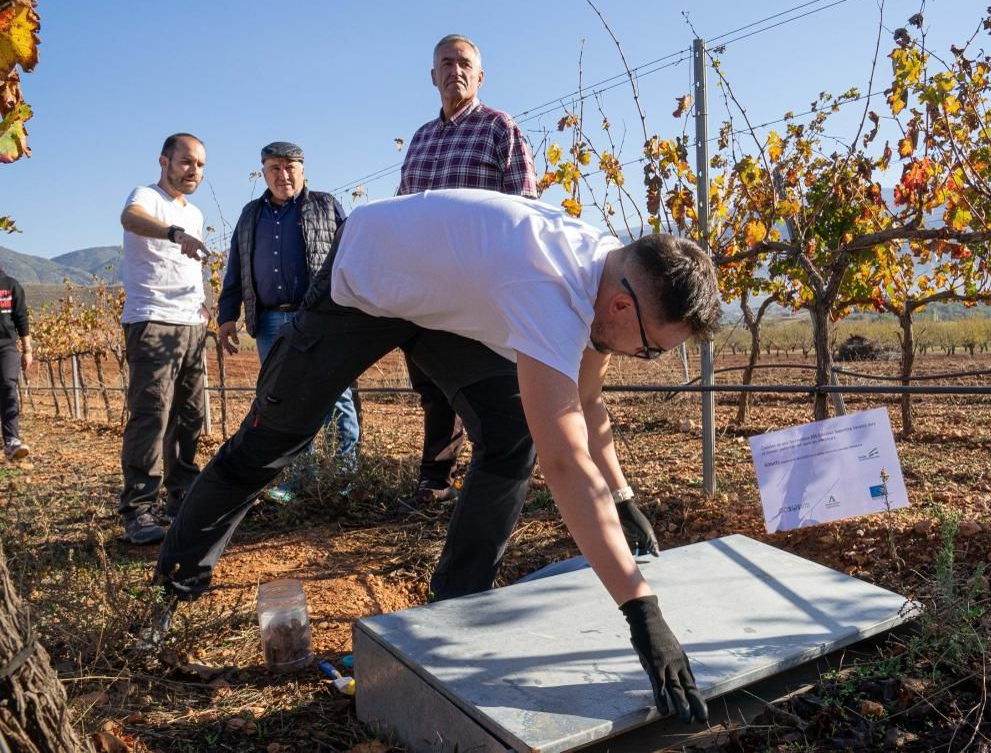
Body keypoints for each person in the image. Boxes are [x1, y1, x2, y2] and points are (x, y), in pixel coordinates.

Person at [155, 188, 719, 721]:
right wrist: (641, 611)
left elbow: (588, 402)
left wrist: (621, 497)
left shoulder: (605, 273)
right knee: (274, 438)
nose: (643, 357)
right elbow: (566, 461)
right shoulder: (550, 288)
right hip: (366, 282)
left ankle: (456, 605)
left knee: (509, 433)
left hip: (439, 305)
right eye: (649, 351)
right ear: (622, 304)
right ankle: (175, 581)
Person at [395, 33, 539, 512]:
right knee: (434, 391)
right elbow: (402, 210)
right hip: (426, 290)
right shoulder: (420, 139)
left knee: (488, 392)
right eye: (445, 63)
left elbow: (525, 210)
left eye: (464, 63)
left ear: (480, 76)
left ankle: (494, 487)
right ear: (432, 76)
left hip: (479, 290)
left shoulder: (500, 129)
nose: (454, 70)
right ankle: (434, 486)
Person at [216, 141, 358, 501]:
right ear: (264, 173)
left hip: (320, 318)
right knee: (282, 402)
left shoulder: (326, 205)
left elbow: (351, 257)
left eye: (290, 167)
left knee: (336, 394)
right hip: (268, 323)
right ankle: (299, 479)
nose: (283, 175)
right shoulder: (250, 215)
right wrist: (226, 317)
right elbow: (236, 268)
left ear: (303, 169)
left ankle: (343, 479)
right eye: (275, 168)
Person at [117, 132, 211, 545]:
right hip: (152, 320)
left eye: (201, 165)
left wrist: (208, 309)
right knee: (151, 414)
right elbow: (130, 219)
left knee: (189, 417)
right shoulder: (147, 197)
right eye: (187, 162)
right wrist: (173, 233)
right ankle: (138, 509)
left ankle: (181, 497)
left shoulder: (197, 213)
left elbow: (194, 268)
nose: (194, 171)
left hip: (191, 324)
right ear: (165, 161)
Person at [0, 267, 32, 461]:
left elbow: (21, 318)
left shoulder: (11, 285)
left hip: (6, 348)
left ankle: (12, 441)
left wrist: (27, 350)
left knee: (8, 387)